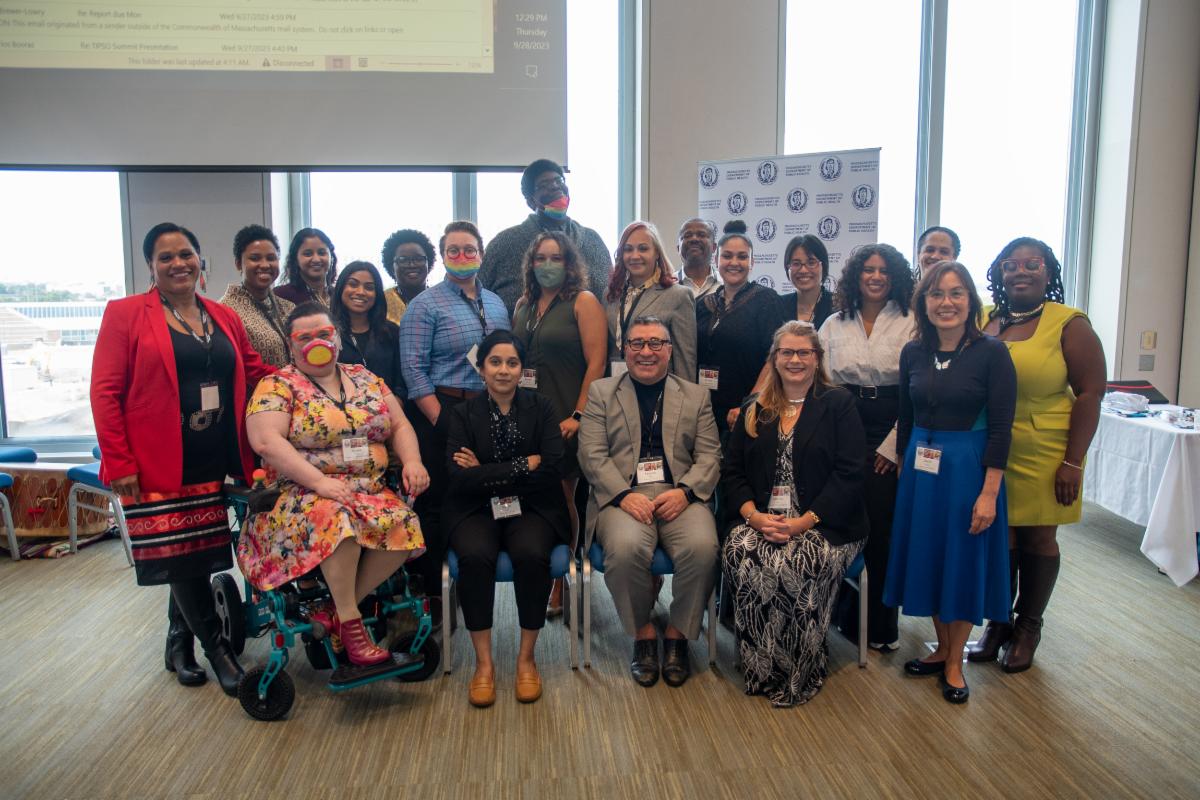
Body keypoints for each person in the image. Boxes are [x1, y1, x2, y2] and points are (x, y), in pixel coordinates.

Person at [90, 222, 274, 696]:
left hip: (213, 454)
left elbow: (254, 370)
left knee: (192, 555)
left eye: (186, 254)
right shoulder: (126, 314)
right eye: (166, 257)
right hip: (154, 462)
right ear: (150, 265)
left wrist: (319, 373)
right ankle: (219, 652)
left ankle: (177, 641)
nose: (178, 264)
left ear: (200, 259)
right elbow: (105, 393)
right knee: (182, 558)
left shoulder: (221, 315)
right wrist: (119, 461)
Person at [240, 303, 428, 671]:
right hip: (301, 497)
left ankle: (336, 612)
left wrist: (413, 461)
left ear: (337, 338)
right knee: (339, 521)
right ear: (290, 345)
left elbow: (400, 425)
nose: (317, 342)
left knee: (406, 524)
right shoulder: (277, 386)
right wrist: (320, 482)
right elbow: (266, 442)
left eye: (324, 334)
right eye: (305, 337)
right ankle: (354, 628)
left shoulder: (365, 378)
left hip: (368, 492)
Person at [883, 261, 1016, 704]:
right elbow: (906, 414)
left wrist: (989, 493)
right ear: (924, 302)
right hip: (921, 471)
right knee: (932, 559)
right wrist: (903, 464)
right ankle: (941, 648)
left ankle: (956, 660)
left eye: (957, 293)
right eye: (937, 294)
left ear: (971, 301)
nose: (947, 303)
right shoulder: (913, 351)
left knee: (960, 561)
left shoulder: (992, 353)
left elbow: (1001, 429)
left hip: (968, 470)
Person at [972, 237, 1105, 672]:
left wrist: (1073, 461)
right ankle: (998, 622)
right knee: (1002, 535)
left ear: (1049, 272)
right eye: (1012, 265)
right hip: (991, 445)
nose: (1022, 272)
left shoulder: (1068, 322)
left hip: (1045, 450)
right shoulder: (985, 318)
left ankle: (1028, 627)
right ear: (1000, 273)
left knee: (1038, 538)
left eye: (1033, 264)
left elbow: (1090, 394)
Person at [722, 321, 868, 707]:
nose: (795, 360)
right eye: (786, 352)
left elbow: (850, 474)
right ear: (774, 359)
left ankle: (799, 670)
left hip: (825, 521)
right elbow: (732, 472)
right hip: (762, 517)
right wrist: (753, 517)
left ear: (817, 358)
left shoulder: (838, 404)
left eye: (804, 352)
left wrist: (804, 522)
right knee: (741, 552)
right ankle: (760, 666)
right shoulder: (757, 408)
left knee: (799, 561)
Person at [578, 316, 721, 688]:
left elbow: (710, 456)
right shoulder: (601, 393)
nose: (646, 352)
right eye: (637, 343)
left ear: (670, 351)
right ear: (625, 350)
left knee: (703, 547)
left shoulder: (695, 396)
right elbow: (591, 455)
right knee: (625, 550)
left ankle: (677, 634)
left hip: (680, 494)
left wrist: (687, 491)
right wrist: (624, 495)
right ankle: (642, 633)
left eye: (656, 343)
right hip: (622, 496)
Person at [445, 331, 571, 707]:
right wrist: (520, 464)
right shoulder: (462, 414)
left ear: (522, 369)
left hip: (532, 506)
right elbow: (458, 476)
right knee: (474, 556)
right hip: (474, 507)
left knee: (533, 554)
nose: (503, 370)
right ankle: (484, 665)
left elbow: (552, 467)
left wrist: (485, 469)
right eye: (495, 362)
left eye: (512, 363)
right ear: (481, 368)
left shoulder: (543, 408)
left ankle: (525, 659)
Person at [399, 221, 510, 613]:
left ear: (481, 254)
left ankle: (472, 587)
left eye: (469, 250)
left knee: (480, 497)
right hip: (443, 411)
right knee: (438, 502)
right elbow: (414, 371)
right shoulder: (424, 305)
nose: (462, 257)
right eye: (453, 251)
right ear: (443, 257)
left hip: (490, 410)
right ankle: (435, 596)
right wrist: (441, 421)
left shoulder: (496, 303)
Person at [818, 243, 916, 652]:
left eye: (884, 271)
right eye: (868, 270)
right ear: (855, 276)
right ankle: (834, 612)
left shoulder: (913, 322)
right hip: (843, 416)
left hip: (893, 420)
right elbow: (820, 381)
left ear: (895, 277)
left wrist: (894, 445)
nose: (875, 277)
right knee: (834, 515)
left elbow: (917, 391)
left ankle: (880, 626)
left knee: (881, 526)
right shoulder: (834, 323)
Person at [511, 231, 606, 615]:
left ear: (569, 264)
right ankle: (543, 567)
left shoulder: (583, 302)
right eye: (540, 258)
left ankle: (561, 580)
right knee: (535, 497)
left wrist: (579, 415)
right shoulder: (523, 305)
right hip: (526, 417)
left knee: (563, 496)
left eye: (556, 258)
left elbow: (597, 364)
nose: (547, 265)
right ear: (530, 264)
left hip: (568, 416)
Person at [479, 158, 612, 315]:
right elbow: (478, 294)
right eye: (543, 185)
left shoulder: (593, 241)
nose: (555, 186)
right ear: (531, 201)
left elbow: (612, 295)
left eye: (559, 180)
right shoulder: (503, 244)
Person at [696, 220, 786, 435]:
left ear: (752, 262)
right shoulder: (703, 304)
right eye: (727, 256)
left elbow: (774, 356)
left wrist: (751, 403)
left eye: (742, 256)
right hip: (705, 409)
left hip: (745, 411)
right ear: (716, 260)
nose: (734, 262)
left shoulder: (766, 300)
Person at [604, 221, 697, 382]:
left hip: (658, 392)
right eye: (628, 249)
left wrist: (684, 402)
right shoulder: (610, 295)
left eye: (643, 248)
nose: (634, 256)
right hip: (616, 389)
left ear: (657, 253)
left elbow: (685, 361)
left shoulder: (679, 296)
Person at [218, 224, 295, 368]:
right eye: (255, 258)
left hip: (296, 388)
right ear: (238, 264)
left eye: (271, 258)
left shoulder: (289, 307)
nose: (265, 265)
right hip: (257, 389)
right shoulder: (225, 311)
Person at [330, 260, 404, 397]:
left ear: (377, 295)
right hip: (339, 413)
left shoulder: (392, 332)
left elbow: (401, 384)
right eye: (353, 284)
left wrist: (392, 410)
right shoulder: (327, 333)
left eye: (369, 287)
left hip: (389, 412)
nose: (361, 292)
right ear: (340, 288)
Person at [380, 228, 434, 325]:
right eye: (403, 260)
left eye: (418, 259)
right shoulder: (380, 302)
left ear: (428, 263)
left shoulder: (441, 301)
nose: (412, 265)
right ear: (392, 267)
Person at [779, 235, 835, 328]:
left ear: (823, 266)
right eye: (796, 263)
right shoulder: (778, 306)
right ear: (788, 267)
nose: (803, 270)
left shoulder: (838, 305)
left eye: (811, 263)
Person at [276, 227, 337, 307]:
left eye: (321, 253)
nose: (316, 259)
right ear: (296, 259)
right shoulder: (281, 296)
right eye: (308, 254)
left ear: (331, 257)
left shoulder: (339, 295)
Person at [677, 218, 719, 299]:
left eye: (702, 235)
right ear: (678, 248)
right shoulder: (667, 285)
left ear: (714, 247)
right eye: (687, 236)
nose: (694, 239)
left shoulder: (726, 284)